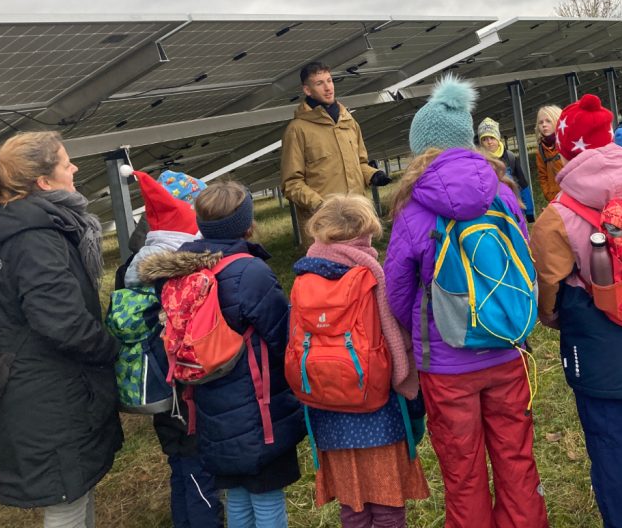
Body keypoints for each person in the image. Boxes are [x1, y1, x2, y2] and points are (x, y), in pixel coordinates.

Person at [384, 76, 549, 528]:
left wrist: (427, 331)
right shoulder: (504, 193)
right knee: (516, 459)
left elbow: (397, 292)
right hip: (507, 344)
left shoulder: (413, 209)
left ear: (422, 149)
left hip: (446, 361)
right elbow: (525, 260)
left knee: (463, 471)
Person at [0, 131, 123, 528]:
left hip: (32, 385)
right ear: (43, 182)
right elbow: (61, 323)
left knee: (74, 490)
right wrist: (109, 348)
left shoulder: (2, 228)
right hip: (50, 393)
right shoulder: (33, 239)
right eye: (66, 163)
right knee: (66, 500)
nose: (75, 168)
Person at [529, 94, 622, 528]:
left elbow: (552, 297)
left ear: (566, 148)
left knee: (613, 451)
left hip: (597, 350)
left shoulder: (555, 218)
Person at [141, 182, 306, 528]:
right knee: (266, 493)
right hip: (257, 405)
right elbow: (282, 338)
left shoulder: (181, 271)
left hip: (208, 404)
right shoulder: (250, 272)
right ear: (248, 225)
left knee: (236, 492)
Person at [293, 194, 429, 527]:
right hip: (378, 409)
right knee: (388, 503)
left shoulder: (302, 281)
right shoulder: (373, 277)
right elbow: (398, 341)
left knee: (352, 506)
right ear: (365, 233)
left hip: (327, 411)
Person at [117, 168, 224, 528]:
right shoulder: (185, 271)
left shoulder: (132, 268)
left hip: (162, 389)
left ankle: (185, 519)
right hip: (188, 389)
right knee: (199, 469)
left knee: (180, 464)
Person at [280, 62, 391, 243]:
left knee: (362, 268)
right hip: (325, 224)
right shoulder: (298, 130)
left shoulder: (348, 121)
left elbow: (360, 163)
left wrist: (373, 175)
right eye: (319, 83)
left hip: (357, 216)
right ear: (307, 90)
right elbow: (291, 183)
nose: (328, 87)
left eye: (329, 81)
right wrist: (320, 204)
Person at [477, 116, 536, 222]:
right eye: (485, 139)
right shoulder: (479, 161)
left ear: (498, 138)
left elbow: (522, 184)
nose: (489, 142)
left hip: (513, 209)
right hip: (493, 213)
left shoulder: (510, 157)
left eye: (492, 138)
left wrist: (529, 211)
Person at [534, 105, 564, 203]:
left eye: (548, 121)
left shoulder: (566, 144)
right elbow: (543, 176)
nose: (544, 125)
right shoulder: (541, 150)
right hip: (555, 200)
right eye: (541, 122)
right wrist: (549, 194)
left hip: (573, 197)